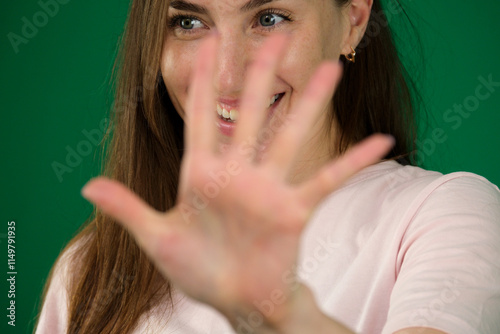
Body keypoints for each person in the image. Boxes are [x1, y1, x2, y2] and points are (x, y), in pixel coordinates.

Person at [35, 0, 500, 333]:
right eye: (189, 21)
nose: (228, 77)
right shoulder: (91, 268)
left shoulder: (445, 214)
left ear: (353, 21)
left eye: (269, 18)